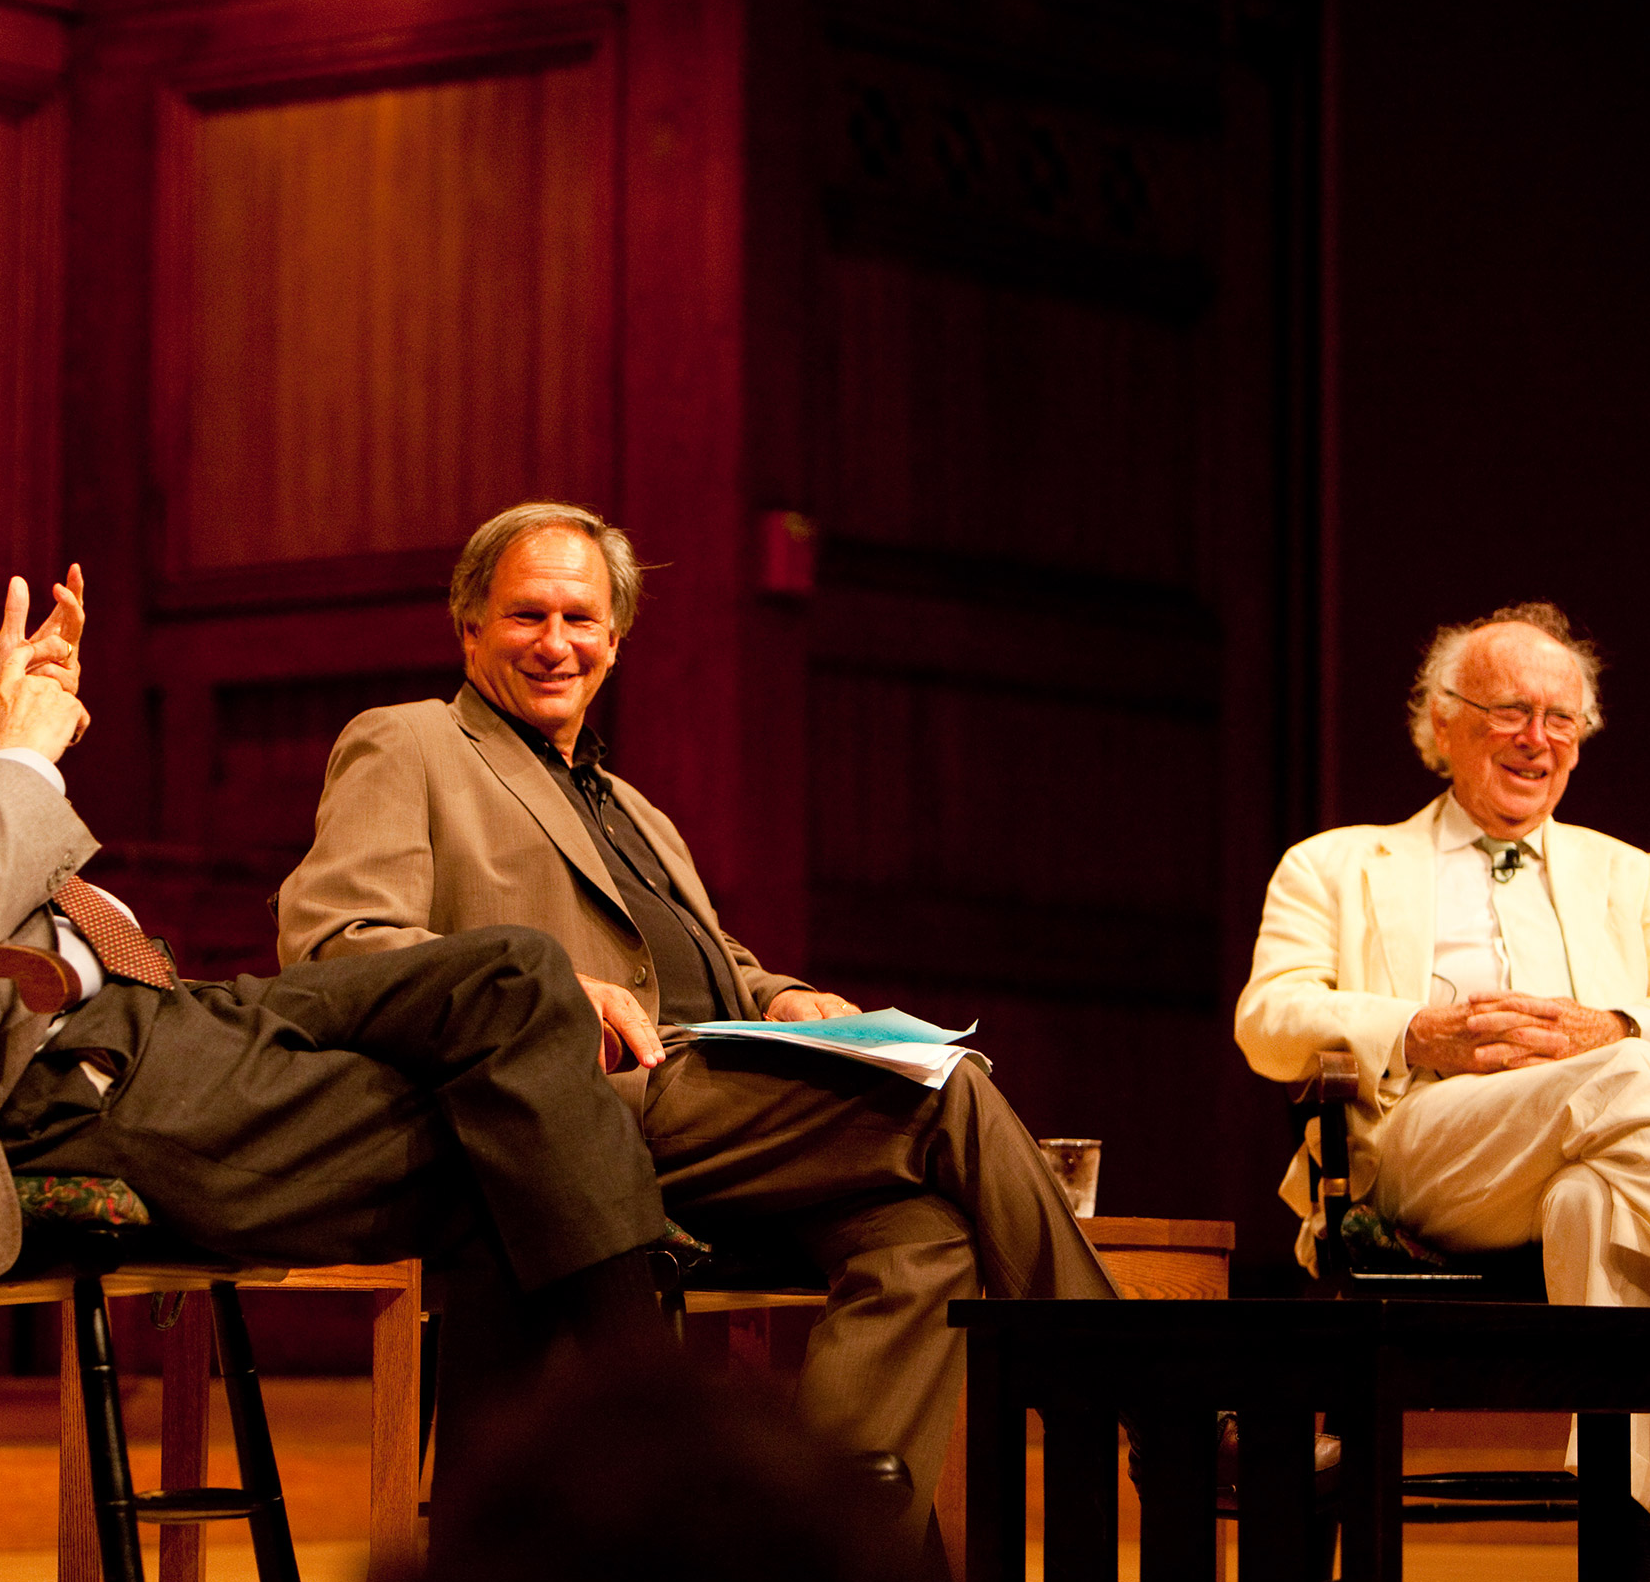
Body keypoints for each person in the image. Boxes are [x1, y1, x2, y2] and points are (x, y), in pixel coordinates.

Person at [0, 402, 675, 1473]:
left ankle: (573, 1510)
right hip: (52, 1090)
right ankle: (656, 1464)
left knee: (515, 974)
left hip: (138, 1025)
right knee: (511, 1130)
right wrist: (20, 756)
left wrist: (8, 727)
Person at [274, 500, 1119, 1528]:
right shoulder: (409, 743)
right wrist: (530, 986)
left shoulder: (637, 811)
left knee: (922, 1234)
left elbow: (717, 969)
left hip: (707, 1109)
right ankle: (1146, 1410)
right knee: (949, 1094)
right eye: (525, 615)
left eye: (580, 619)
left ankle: (815, 1562)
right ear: (468, 628)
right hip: (561, 1115)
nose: (555, 643)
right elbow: (332, 945)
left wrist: (785, 997)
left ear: (616, 641)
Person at [1236, 601, 1650, 1507]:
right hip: (1424, 1146)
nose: (1536, 738)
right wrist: (1415, 1031)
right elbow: (1268, 1017)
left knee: (1595, 1193)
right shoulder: (1332, 864)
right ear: (1442, 722)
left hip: (1598, 1141)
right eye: (1508, 711)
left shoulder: (1627, 872)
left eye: (1561, 719)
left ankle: (1627, 1532)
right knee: (1637, 1074)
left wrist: (1617, 1028)